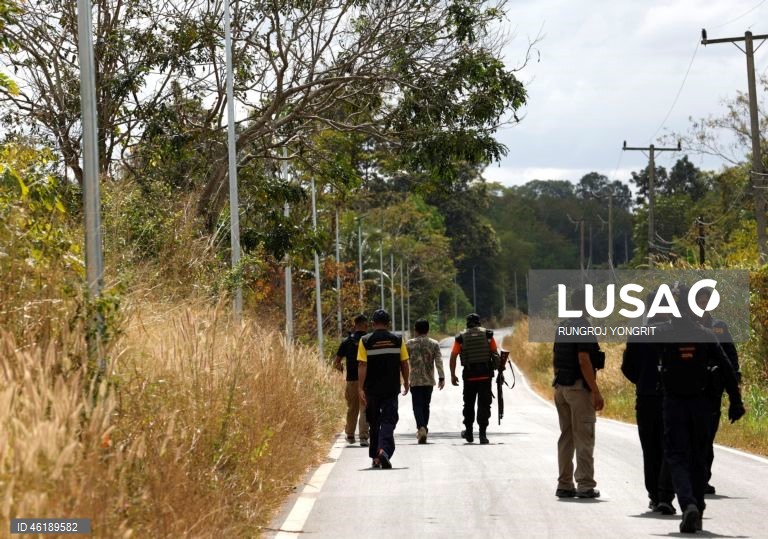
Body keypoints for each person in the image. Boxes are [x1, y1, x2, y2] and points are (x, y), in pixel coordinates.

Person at [659, 286, 745, 533]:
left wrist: (655, 382)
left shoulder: (661, 333)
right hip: (701, 404)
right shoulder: (706, 334)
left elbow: (633, 358)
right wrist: (736, 401)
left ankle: (688, 504)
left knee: (677, 456)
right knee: (698, 455)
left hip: (674, 403)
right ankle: (696, 506)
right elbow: (728, 367)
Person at [621, 297, 676, 514]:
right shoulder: (674, 333)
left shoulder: (639, 334)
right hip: (669, 398)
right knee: (669, 447)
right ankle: (665, 496)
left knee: (650, 449)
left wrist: (643, 380)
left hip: (645, 398)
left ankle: (654, 495)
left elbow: (627, 368)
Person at [552, 288, 604, 499]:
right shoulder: (582, 326)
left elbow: (555, 358)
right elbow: (584, 359)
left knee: (566, 437)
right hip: (577, 388)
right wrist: (596, 391)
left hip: (561, 388)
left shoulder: (563, 326)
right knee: (584, 436)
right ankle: (585, 485)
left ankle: (564, 484)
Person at [694, 288, 741, 496]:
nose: (703, 305)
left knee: (708, 435)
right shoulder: (686, 327)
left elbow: (730, 354)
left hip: (713, 390)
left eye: (706, 301)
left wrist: (734, 381)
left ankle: (703, 478)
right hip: (691, 389)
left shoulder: (719, 327)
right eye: (700, 301)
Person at [358, 309, 410, 469]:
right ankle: (383, 451)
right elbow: (404, 363)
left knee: (374, 422)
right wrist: (406, 381)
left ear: (373, 323)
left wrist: (360, 387)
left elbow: (362, 365)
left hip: (372, 389)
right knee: (389, 420)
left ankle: (375, 457)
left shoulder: (365, 340)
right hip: (391, 387)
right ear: (389, 323)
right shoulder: (397, 340)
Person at [449, 313, 504, 445]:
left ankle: (468, 431)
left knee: (468, 404)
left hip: (469, 376)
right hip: (485, 375)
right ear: (479, 322)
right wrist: (500, 373)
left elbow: (453, 357)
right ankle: (482, 434)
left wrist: (452, 374)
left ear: (467, 323)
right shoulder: (488, 335)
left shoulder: (460, 338)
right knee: (484, 405)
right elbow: (495, 355)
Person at [406, 319, 445, 444]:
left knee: (417, 405)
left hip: (415, 380)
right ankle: (424, 429)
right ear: (428, 330)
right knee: (426, 406)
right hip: (428, 380)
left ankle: (421, 427)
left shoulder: (409, 344)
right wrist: (441, 377)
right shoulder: (434, 344)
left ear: (416, 330)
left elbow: (404, 362)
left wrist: (403, 378)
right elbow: (439, 361)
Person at [334, 314, 370, 446]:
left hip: (351, 380)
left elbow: (337, 362)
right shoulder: (368, 340)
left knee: (352, 408)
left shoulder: (346, 341)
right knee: (364, 407)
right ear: (366, 326)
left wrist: (341, 369)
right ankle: (364, 437)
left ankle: (350, 434)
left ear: (354, 325)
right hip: (366, 380)